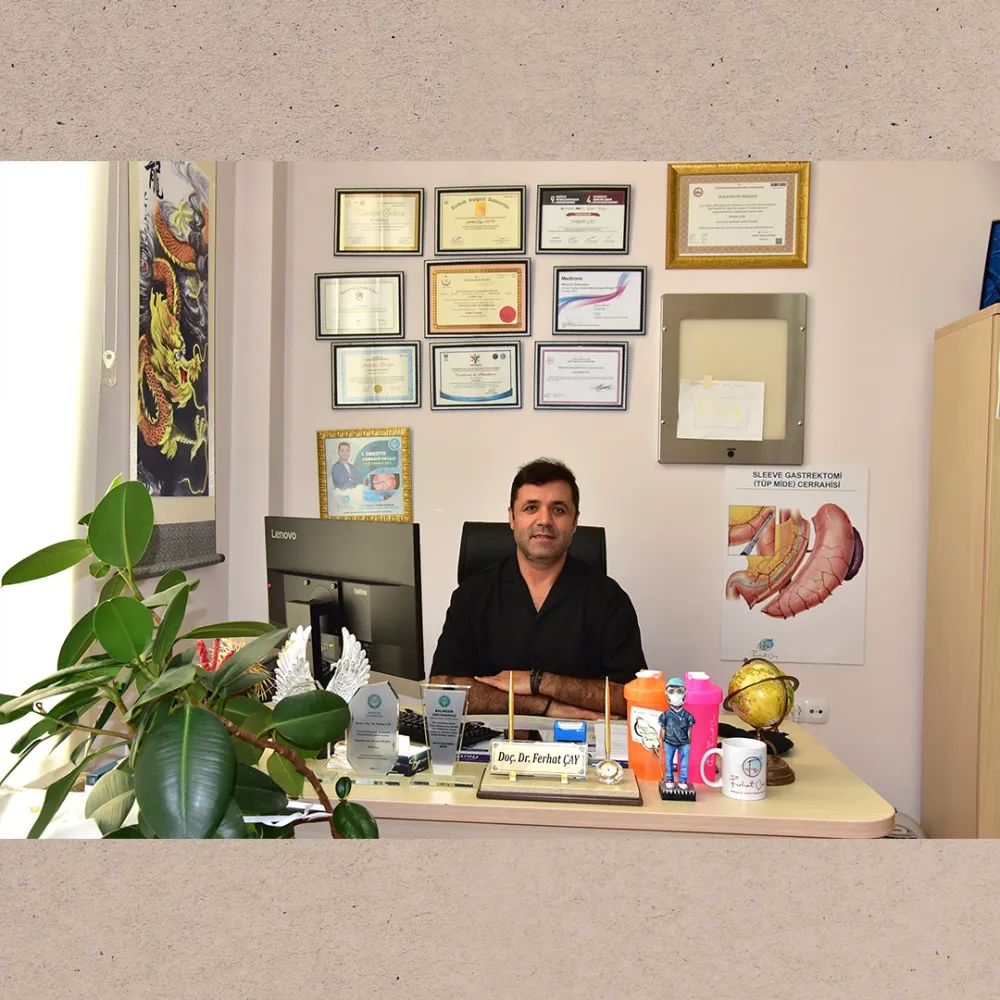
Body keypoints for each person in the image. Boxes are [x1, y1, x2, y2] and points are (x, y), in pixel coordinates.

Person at [429, 458, 647, 719]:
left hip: (580, 741)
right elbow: (441, 689)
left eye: (558, 510)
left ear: (575, 521)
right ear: (511, 517)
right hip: (490, 740)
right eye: (531, 507)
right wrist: (544, 707)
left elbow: (633, 697)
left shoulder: (609, 598)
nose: (544, 520)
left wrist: (540, 681)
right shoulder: (472, 594)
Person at [658, 677, 696, 791]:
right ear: (666, 695)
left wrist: (689, 741)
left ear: (685, 694)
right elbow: (662, 729)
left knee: (684, 763)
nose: (676, 695)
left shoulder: (688, 716)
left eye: (679, 691)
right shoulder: (665, 715)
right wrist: (662, 741)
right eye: (671, 691)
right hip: (669, 742)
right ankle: (669, 779)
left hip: (684, 743)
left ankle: (683, 780)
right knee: (668, 762)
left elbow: (690, 729)